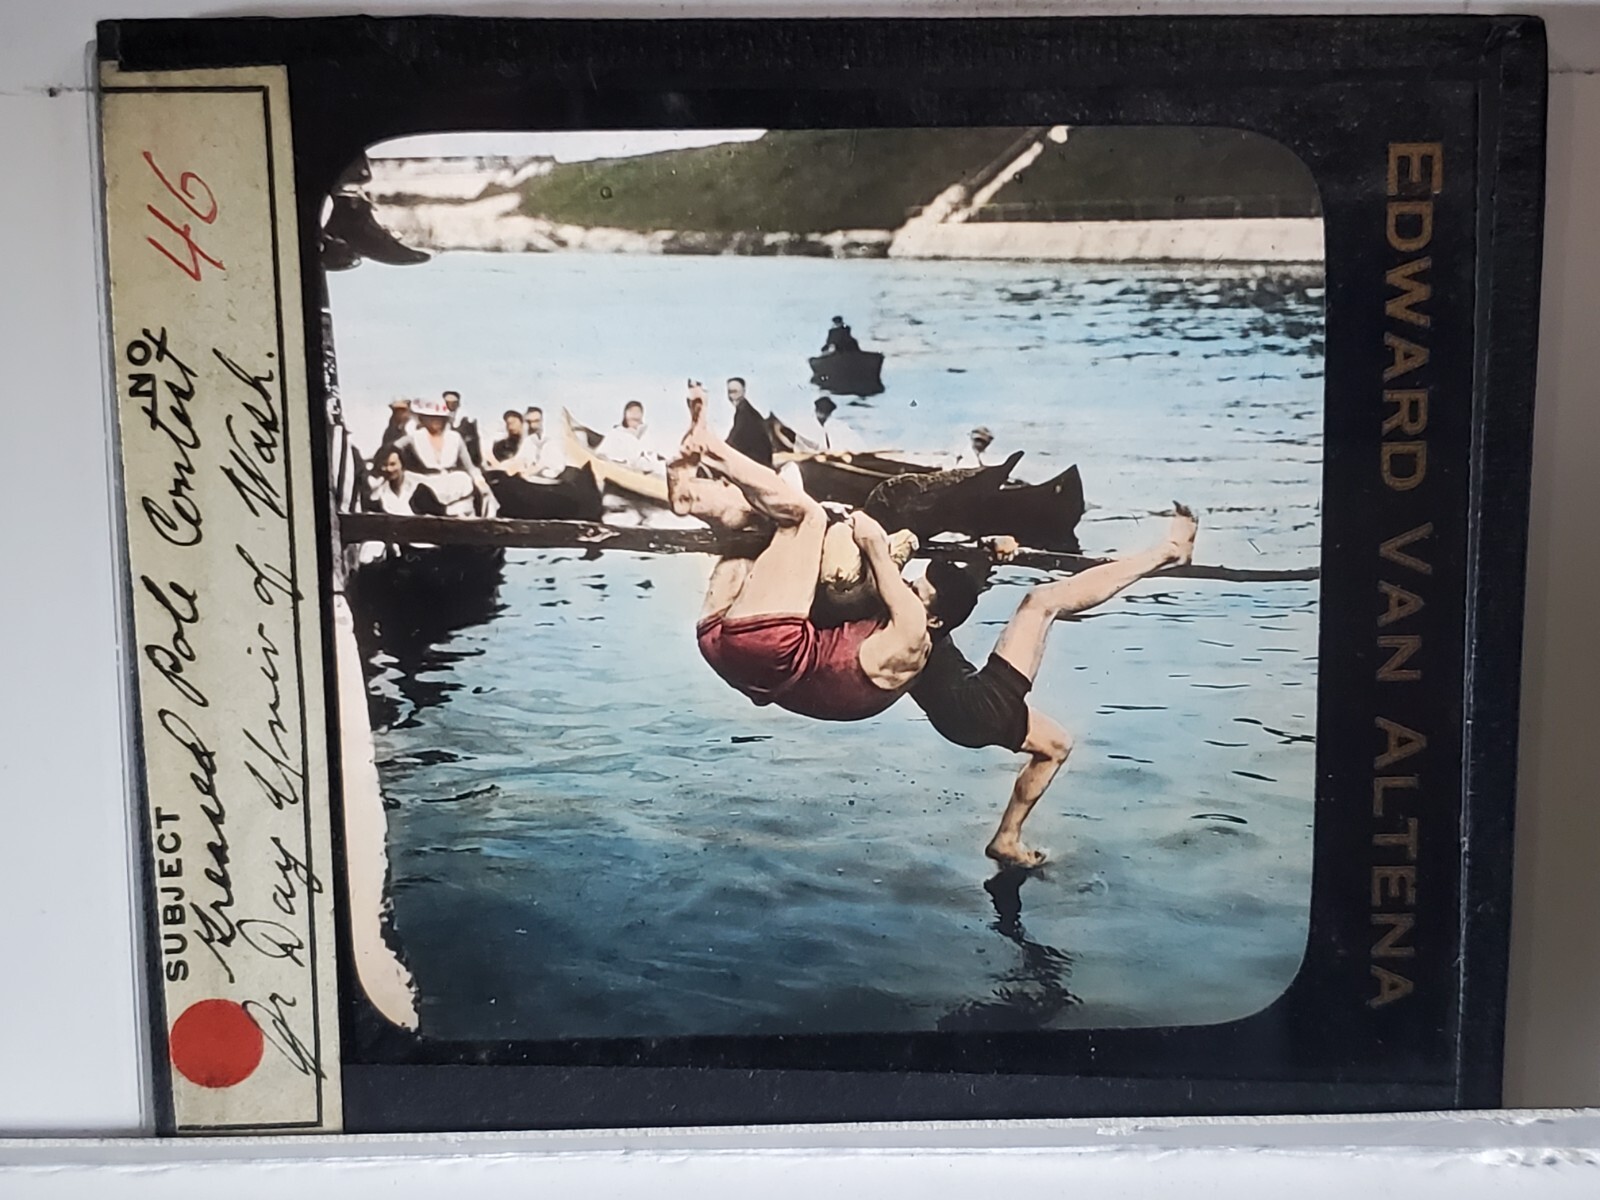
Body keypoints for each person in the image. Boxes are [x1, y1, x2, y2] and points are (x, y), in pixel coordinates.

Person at [908, 506, 1199, 868]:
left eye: (913, 588)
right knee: (1040, 602)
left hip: (958, 716)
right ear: (934, 620)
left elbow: (962, 590)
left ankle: (1006, 839)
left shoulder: (920, 616)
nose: (906, 590)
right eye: (913, 589)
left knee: (1055, 746)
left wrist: (988, 555)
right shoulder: (908, 624)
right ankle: (1168, 552)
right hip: (977, 704)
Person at [667, 387, 969, 723]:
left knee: (807, 517)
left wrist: (849, 517)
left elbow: (871, 539)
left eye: (916, 590)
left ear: (935, 620)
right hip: (730, 654)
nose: (907, 587)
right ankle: (691, 497)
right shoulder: (910, 654)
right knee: (754, 530)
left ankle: (710, 447)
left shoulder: (913, 625)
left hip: (769, 644)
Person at [393, 395, 489, 515]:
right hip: (425, 482)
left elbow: (470, 466)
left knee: (466, 484)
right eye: (431, 418)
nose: (436, 422)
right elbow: (392, 449)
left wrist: (480, 481)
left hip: (452, 483)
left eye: (440, 418)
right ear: (422, 419)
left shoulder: (455, 437)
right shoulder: (414, 437)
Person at [596, 401, 666, 474]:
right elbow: (601, 455)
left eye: (638, 412)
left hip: (645, 474)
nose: (635, 414)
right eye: (631, 411)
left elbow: (652, 459)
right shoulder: (616, 433)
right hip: (620, 471)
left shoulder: (647, 437)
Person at [724, 377, 774, 468]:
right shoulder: (745, 411)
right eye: (729, 392)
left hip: (756, 463)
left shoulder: (745, 413)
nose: (731, 396)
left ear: (743, 392)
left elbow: (734, 438)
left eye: (735, 392)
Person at [442, 390, 483, 467]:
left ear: (457, 404)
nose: (450, 405)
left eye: (453, 403)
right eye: (448, 402)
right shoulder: (440, 418)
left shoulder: (466, 419)